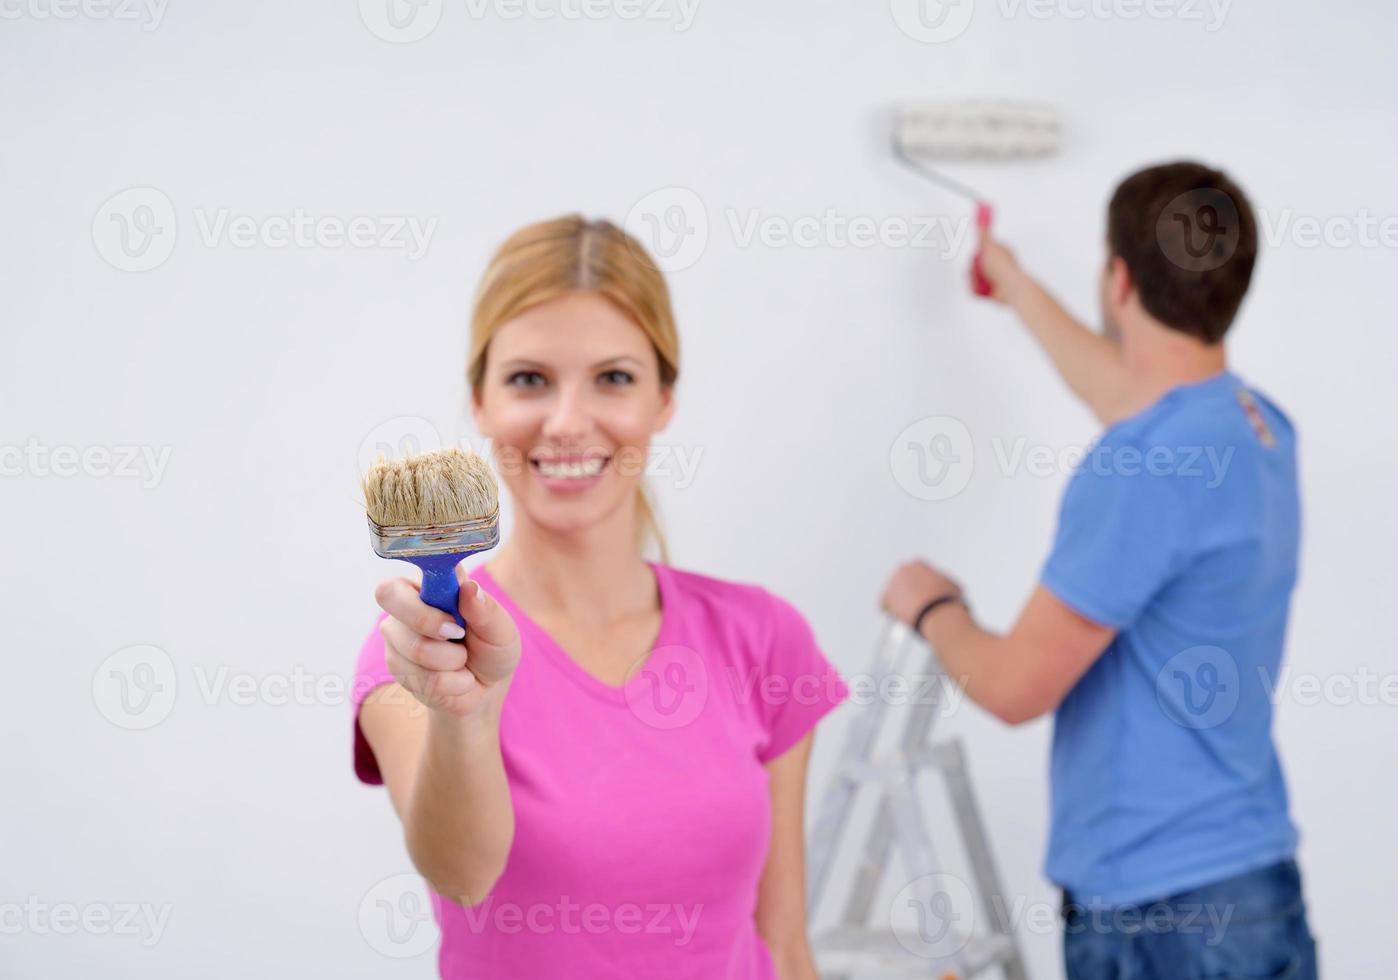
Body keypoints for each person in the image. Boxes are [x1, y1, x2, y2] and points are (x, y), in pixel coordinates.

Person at [351, 216, 849, 978]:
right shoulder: (416, 654)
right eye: (528, 379)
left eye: (613, 378)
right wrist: (468, 715)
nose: (567, 423)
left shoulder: (762, 637)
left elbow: (782, 943)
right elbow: (461, 874)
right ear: (479, 401)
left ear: (662, 401)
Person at [880, 162, 1318, 979]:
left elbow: (1014, 689)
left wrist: (931, 605)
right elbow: (1132, 395)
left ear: (1118, 277)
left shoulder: (1141, 469)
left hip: (1159, 915)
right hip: (1254, 888)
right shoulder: (1254, 427)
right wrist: (1012, 285)